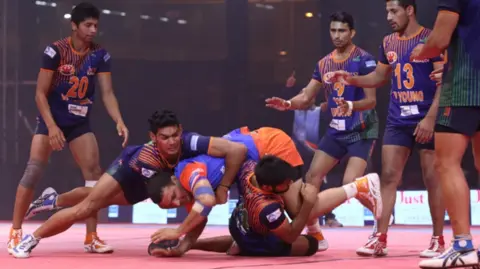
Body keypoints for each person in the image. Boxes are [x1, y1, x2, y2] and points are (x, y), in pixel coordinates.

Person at [11, 109, 247, 259]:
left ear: (180, 131)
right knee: (89, 206)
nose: (172, 142)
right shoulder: (145, 159)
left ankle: (54, 199)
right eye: (164, 138)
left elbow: (236, 149)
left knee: (102, 199)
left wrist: (224, 186)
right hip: (128, 171)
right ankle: (30, 241)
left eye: (175, 135)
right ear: (153, 137)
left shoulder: (190, 141)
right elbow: (168, 194)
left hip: (153, 182)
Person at [325, 0, 446, 258]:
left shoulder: (431, 40)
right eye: (387, 12)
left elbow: (442, 81)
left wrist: (431, 118)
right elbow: (379, 78)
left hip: (426, 117)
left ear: (409, 10)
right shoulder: (388, 42)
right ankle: (379, 237)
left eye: (394, 11)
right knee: (389, 176)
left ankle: (438, 239)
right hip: (397, 119)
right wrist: (351, 78)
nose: (389, 16)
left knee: (432, 178)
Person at [7, 2, 130, 255]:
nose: (93, 30)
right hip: (51, 120)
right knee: (33, 171)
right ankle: (16, 232)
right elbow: (40, 94)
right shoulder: (55, 51)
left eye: (96, 25)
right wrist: (51, 127)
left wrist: (118, 119)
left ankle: (92, 236)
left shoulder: (100, 55)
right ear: (74, 26)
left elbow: (107, 93)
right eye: (88, 25)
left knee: (95, 176)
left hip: (79, 123)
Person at [264, 11, 380, 238]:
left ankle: (380, 216)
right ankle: (315, 232)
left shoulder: (365, 60)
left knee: (351, 183)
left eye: (342, 30)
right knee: (312, 177)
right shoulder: (323, 64)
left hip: (361, 129)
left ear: (352, 32)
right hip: (336, 131)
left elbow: (371, 101)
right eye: (333, 30)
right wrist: (288, 103)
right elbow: (307, 97)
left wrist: (351, 106)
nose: (337, 35)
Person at [148, 157, 383, 258]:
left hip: (238, 223)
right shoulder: (266, 208)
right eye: (285, 184)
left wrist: (186, 240)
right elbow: (291, 235)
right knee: (310, 245)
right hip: (256, 237)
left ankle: (193, 245)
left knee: (239, 241)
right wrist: (307, 205)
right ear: (270, 187)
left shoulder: (250, 168)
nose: (289, 185)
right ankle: (357, 187)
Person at [411, 0, 480, 267]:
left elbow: (439, 39)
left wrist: (421, 51)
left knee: (446, 162)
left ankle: (462, 246)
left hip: (466, 88)